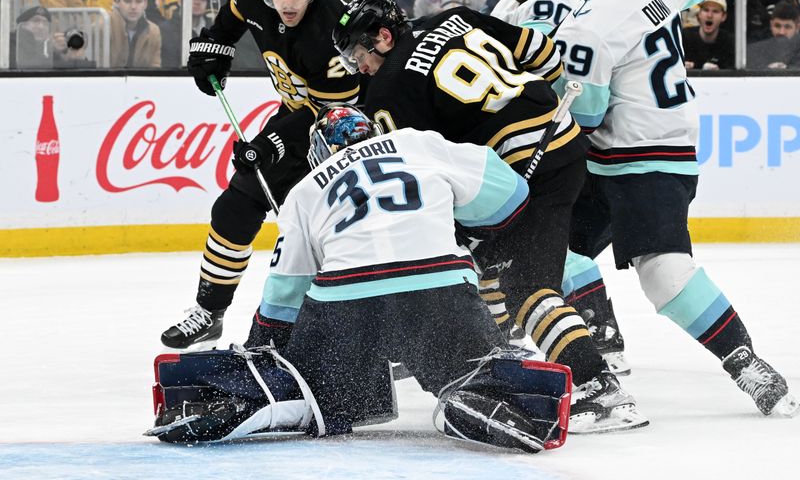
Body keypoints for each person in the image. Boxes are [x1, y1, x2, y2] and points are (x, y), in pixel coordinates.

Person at [150, 106, 573, 452]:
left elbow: (286, 292)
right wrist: (467, 223)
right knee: (470, 370)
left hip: (346, 303)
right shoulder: (420, 142)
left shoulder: (306, 188)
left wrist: (269, 350)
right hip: (440, 288)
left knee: (316, 391)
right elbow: (512, 198)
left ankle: (270, 395)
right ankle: (468, 398)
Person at [333, 0, 647, 433]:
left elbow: (416, 169)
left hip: (519, 168)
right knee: (491, 267)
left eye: (358, 56)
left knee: (525, 285)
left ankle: (600, 387)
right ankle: (497, 353)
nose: (358, 68)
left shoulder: (388, 88)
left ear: (384, 37)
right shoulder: (453, 17)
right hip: (564, 141)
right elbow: (544, 54)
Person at [554, 0, 798, 417]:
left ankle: (744, 361)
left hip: (640, 157)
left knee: (662, 271)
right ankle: (596, 345)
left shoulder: (592, 24)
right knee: (551, 250)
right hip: (644, 150)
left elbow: (589, 114)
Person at [160, 0, 360, 351]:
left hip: (348, 131)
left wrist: (273, 141)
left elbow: (329, 115)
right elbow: (231, 18)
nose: (286, 3)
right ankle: (209, 313)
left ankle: (371, 330)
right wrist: (216, 48)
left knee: (333, 234)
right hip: (296, 113)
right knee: (235, 206)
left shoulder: (332, 31)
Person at [489, 0, 628, 374]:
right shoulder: (514, 1)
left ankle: (601, 328)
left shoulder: (555, 1)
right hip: (533, 134)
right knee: (537, 240)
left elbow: (508, 59)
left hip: (556, 140)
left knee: (545, 242)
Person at [110, 0, 162, 68]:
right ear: (117, 2)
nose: (133, 7)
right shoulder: (103, 27)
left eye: (138, 1)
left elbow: (155, 69)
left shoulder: (154, 31)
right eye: (127, 1)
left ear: (145, 4)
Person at [683, 0, 735, 70]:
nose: (709, 15)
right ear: (699, 14)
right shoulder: (685, 36)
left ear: (723, 16)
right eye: (706, 10)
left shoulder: (729, 41)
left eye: (715, 11)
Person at [746, 0, 800, 69]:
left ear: (797, 28)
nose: (781, 32)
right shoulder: (757, 41)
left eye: (787, 27)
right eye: (777, 26)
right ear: (771, 24)